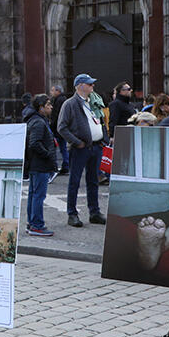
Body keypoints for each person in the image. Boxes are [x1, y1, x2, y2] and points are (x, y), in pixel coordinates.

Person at [56, 74, 106, 227]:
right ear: (80, 86)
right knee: (74, 181)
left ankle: (94, 212)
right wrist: (77, 142)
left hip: (95, 146)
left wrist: (103, 137)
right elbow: (61, 128)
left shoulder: (93, 101)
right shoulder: (70, 104)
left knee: (93, 181)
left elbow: (101, 119)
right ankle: (72, 214)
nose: (92, 86)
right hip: (81, 148)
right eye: (89, 84)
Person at [24, 94, 61, 237]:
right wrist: (47, 154)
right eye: (48, 105)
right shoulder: (39, 122)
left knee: (34, 195)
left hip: (35, 164)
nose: (51, 107)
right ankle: (37, 225)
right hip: (40, 165)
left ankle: (31, 223)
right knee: (38, 195)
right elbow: (34, 143)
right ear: (41, 108)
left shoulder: (35, 120)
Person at [49, 87, 68, 173]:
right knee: (63, 148)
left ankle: (63, 166)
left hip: (58, 128)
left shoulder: (59, 100)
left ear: (58, 91)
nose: (51, 92)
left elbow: (56, 115)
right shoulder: (62, 99)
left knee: (59, 148)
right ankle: (65, 165)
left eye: (53, 90)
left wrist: (52, 126)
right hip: (62, 127)